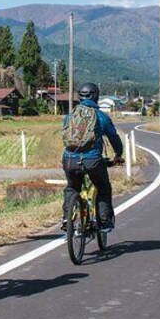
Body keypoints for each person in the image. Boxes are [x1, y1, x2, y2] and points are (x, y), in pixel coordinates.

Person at [62, 83, 123, 232]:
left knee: (72, 187)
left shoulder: (70, 116)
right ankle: (104, 221)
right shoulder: (101, 117)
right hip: (93, 160)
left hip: (69, 159)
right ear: (96, 96)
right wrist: (118, 155)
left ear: (79, 97)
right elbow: (114, 138)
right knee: (103, 188)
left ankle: (67, 218)